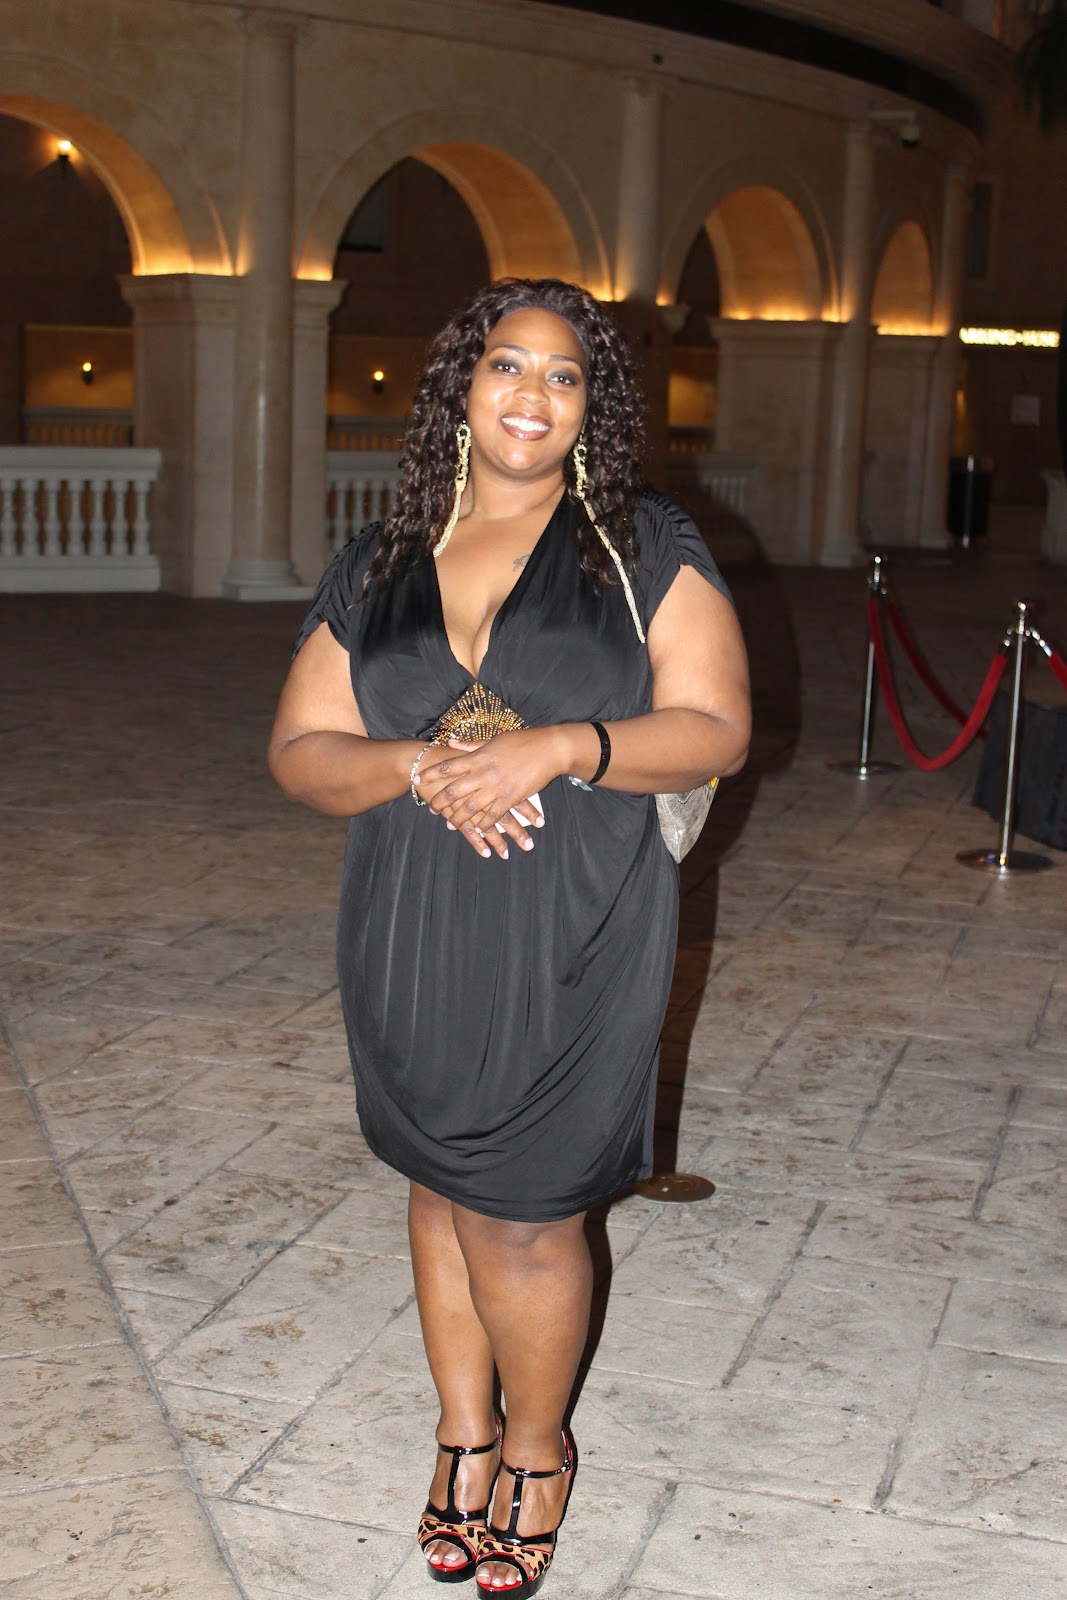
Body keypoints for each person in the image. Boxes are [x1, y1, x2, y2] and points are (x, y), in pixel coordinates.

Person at [268, 278, 750, 1597]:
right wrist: (415, 764)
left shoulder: (641, 544)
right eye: (505, 366)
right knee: (437, 1183)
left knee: (526, 1216)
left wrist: (559, 746)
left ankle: (538, 1450)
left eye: (564, 374)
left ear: (594, 407)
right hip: (411, 920)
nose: (532, 395)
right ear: (460, 390)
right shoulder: (380, 559)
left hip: (573, 925)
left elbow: (714, 728)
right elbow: (302, 751)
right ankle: (462, 1430)